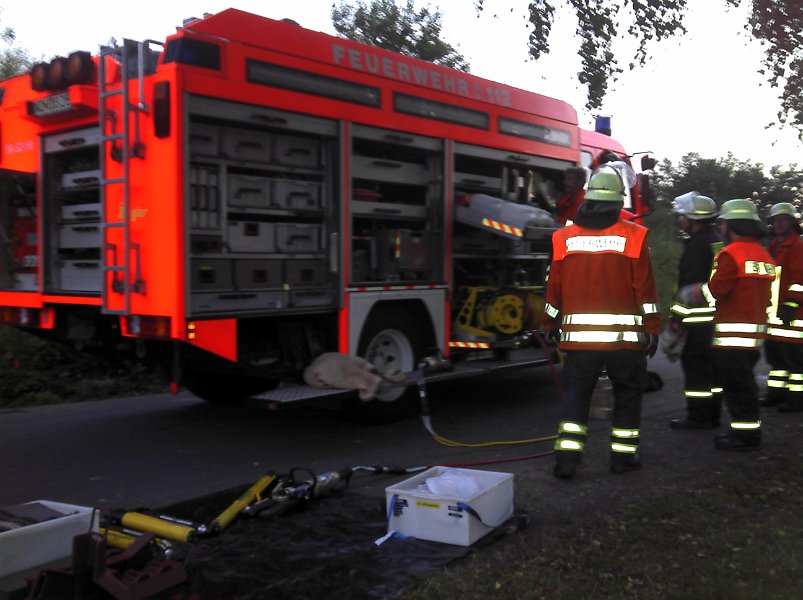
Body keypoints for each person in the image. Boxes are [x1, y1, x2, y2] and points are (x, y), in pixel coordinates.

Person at [543, 165, 660, 479]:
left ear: (588, 198)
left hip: (580, 342)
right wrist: (652, 327)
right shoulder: (634, 236)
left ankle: (566, 462)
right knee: (627, 395)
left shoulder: (564, 238)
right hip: (625, 341)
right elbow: (645, 289)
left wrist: (549, 322)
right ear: (620, 201)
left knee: (576, 398)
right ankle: (623, 458)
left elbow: (554, 288)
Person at [684, 199, 775, 451]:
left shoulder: (731, 254)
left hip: (732, 336)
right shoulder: (763, 255)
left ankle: (745, 437)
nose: (720, 227)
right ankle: (746, 432)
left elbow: (716, 290)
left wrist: (693, 293)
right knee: (744, 386)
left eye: (722, 223)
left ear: (732, 224)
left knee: (738, 389)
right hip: (754, 335)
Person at [667, 192, 724, 429]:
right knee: (713, 371)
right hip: (717, 317)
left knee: (696, 369)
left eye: (683, 216)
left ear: (692, 218)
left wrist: (677, 319)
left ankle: (698, 417)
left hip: (699, 319)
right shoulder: (717, 239)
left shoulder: (697, 245)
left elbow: (688, 288)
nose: (681, 221)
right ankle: (713, 414)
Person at [762, 202, 803, 412]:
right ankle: (776, 395)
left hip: (793, 315)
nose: (778, 224)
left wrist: (791, 304)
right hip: (775, 316)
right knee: (776, 360)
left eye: (783, 220)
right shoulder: (774, 246)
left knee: (795, 363)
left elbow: (799, 279)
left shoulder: (797, 246)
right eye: (775, 220)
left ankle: (797, 400)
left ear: (792, 223)